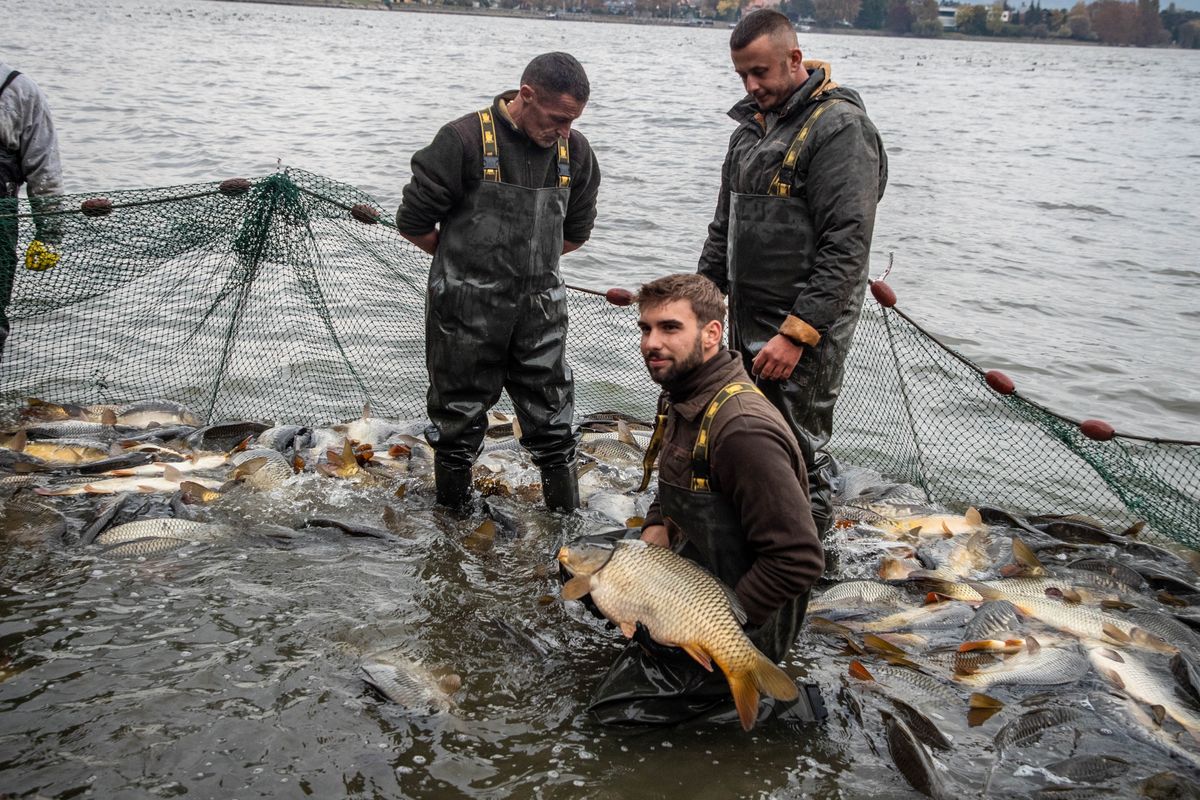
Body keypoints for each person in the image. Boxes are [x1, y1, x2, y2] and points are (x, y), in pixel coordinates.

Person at [579, 273, 826, 728]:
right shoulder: (686, 390)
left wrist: (709, 624)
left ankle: (789, 708)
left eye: (670, 328)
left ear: (712, 333)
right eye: (646, 328)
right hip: (694, 567)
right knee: (579, 559)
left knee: (613, 718)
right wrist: (656, 524)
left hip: (745, 609)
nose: (652, 342)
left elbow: (799, 559)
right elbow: (678, 480)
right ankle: (652, 640)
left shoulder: (743, 431)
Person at [697, 10, 887, 537]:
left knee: (798, 446)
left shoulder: (842, 129)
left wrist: (796, 333)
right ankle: (751, 542)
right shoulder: (748, 133)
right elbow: (722, 230)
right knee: (741, 432)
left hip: (806, 326)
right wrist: (699, 312)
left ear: (795, 59)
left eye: (760, 72)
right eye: (742, 75)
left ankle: (809, 569)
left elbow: (847, 247)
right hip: (744, 317)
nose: (751, 85)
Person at [396, 52, 601, 513]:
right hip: (464, 312)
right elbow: (412, 221)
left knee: (555, 425)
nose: (564, 131)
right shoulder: (462, 139)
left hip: (541, 313)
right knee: (456, 424)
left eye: (573, 121)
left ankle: (564, 526)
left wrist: (523, 267)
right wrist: (464, 264)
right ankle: (452, 527)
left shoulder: (577, 152)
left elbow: (575, 234)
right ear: (525, 95)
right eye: (557, 118)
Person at [0, 62, 64, 358]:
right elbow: (44, 173)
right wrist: (49, 235)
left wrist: (49, 233)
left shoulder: (19, 89)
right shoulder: (19, 88)